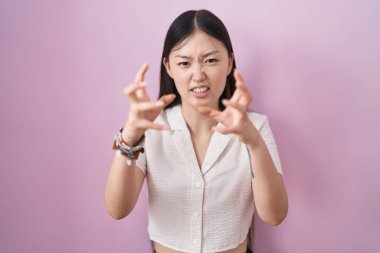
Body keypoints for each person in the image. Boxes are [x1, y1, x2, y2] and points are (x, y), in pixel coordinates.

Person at [105, 9, 288, 253]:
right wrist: (129, 137)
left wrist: (253, 142)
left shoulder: (255, 127)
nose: (198, 75)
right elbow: (117, 209)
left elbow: (274, 215)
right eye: (184, 63)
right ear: (169, 67)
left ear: (229, 63)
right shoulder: (151, 128)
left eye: (211, 60)